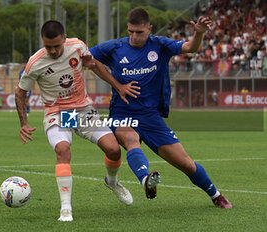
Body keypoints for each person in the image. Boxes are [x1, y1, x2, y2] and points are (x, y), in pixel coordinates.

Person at [90, 8, 232, 208]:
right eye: (130, 31)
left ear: (149, 29)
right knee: (131, 140)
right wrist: (117, 85)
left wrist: (198, 32)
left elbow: (191, 47)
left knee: (186, 164)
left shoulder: (160, 45)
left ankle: (216, 195)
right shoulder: (115, 47)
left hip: (150, 116)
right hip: (122, 112)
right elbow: (89, 59)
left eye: (139, 32)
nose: (134, 36)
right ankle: (146, 180)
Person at [15, 20, 139, 222]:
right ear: (42, 42)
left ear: (64, 39)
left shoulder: (78, 46)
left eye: (57, 45)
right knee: (63, 150)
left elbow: (95, 66)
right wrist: (24, 123)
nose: (53, 51)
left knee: (114, 150)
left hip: (83, 110)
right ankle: (66, 209)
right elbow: (20, 92)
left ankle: (113, 182)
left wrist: (118, 86)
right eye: (48, 46)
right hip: (58, 112)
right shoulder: (35, 62)